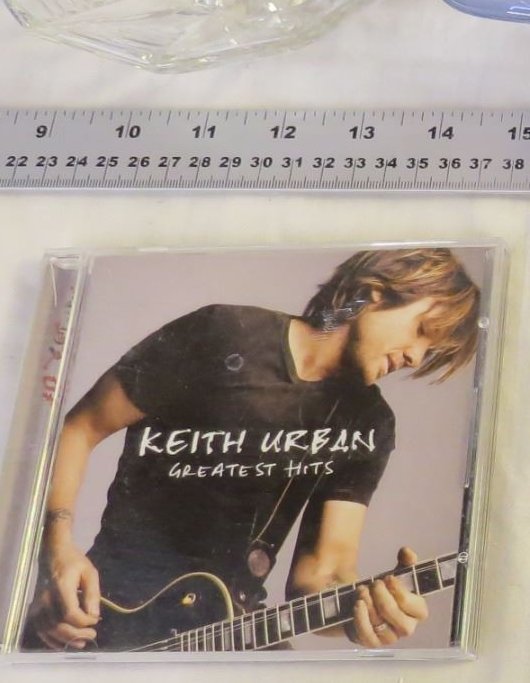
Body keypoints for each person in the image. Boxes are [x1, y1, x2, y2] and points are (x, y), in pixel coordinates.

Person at [31, 248, 483, 651]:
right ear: (372, 294)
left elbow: (321, 575)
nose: (416, 358)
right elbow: (78, 428)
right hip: (104, 616)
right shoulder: (223, 332)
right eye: (421, 331)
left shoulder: (368, 422)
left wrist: (364, 614)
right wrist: (57, 552)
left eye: (430, 352)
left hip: (229, 634)